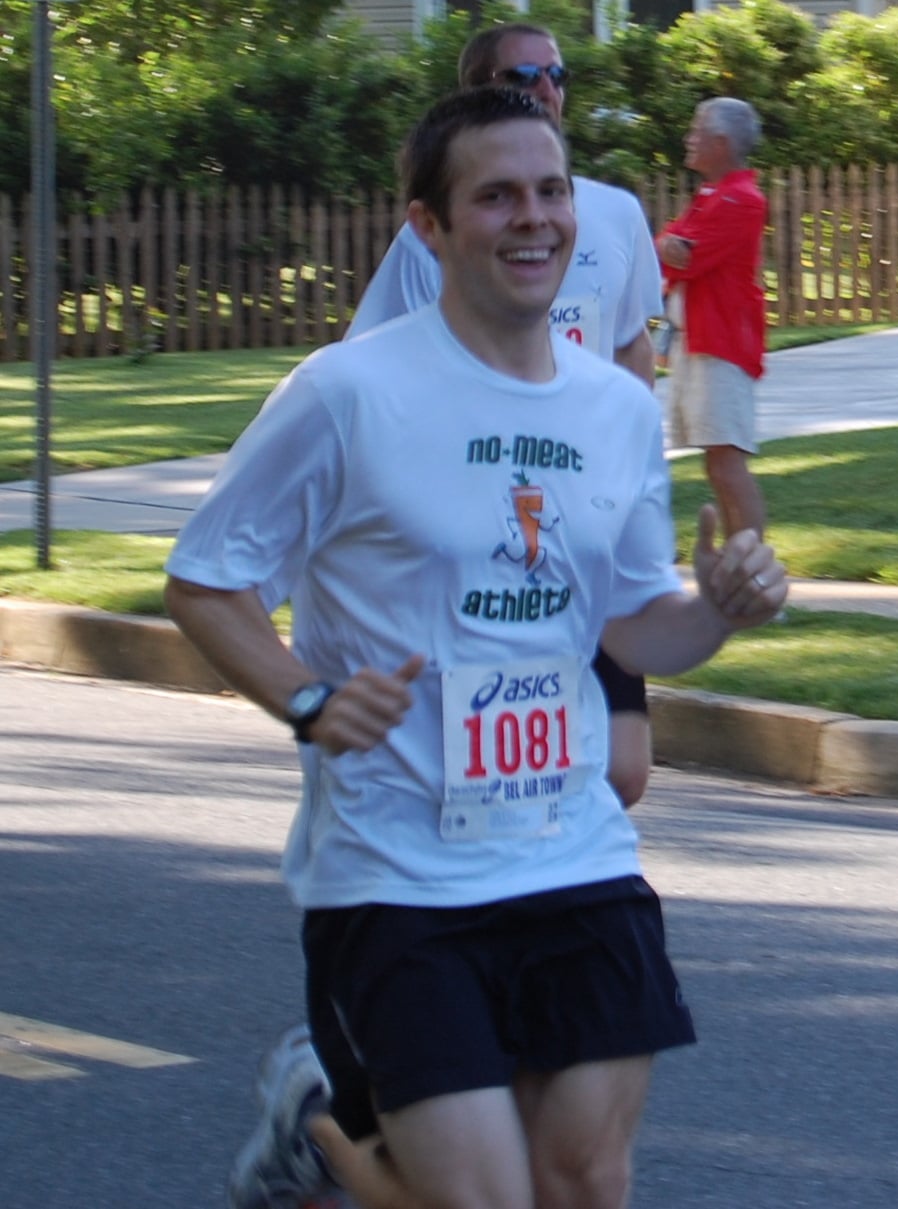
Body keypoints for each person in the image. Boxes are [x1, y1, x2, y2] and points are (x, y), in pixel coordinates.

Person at [165, 87, 787, 1209]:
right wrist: (304, 699)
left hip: (573, 853)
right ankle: (315, 1116)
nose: (533, 219)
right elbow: (207, 575)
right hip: (397, 874)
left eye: (550, 192)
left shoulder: (614, 408)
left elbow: (635, 622)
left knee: (585, 1182)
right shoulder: (349, 392)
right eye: (494, 196)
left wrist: (721, 609)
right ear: (429, 228)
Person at [348, 22, 663, 810]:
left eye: (558, 73)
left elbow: (630, 346)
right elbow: (389, 373)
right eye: (525, 75)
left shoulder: (613, 215)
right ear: (479, 95)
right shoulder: (441, 236)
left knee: (624, 767)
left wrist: (626, 461)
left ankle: (552, 867)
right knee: (496, 765)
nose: (548, 90)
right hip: (488, 518)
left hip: (584, 512)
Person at [655, 97, 768, 539]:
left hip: (720, 345)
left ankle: (754, 574)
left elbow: (687, 260)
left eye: (697, 130)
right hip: (700, 343)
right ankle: (737, 567)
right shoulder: (713, 196)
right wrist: (668, 243)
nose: (689, 138)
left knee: (726, 461)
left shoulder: (740, 199)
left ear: (720, 143)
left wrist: (669, 244)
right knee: (717, 463)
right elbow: (668, 245)